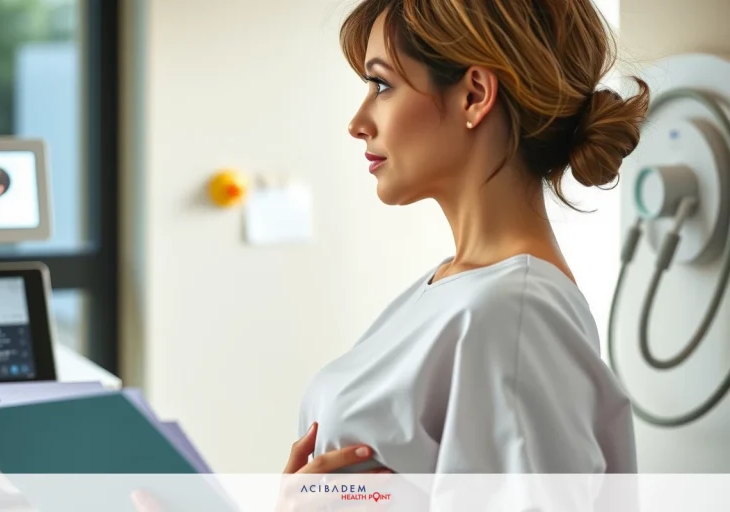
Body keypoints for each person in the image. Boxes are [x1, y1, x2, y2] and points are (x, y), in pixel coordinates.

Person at [134, 0, 650, 508]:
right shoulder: (456, 289)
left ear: (474, 95)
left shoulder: (513, 314)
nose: (358, 121)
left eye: (382, 85)